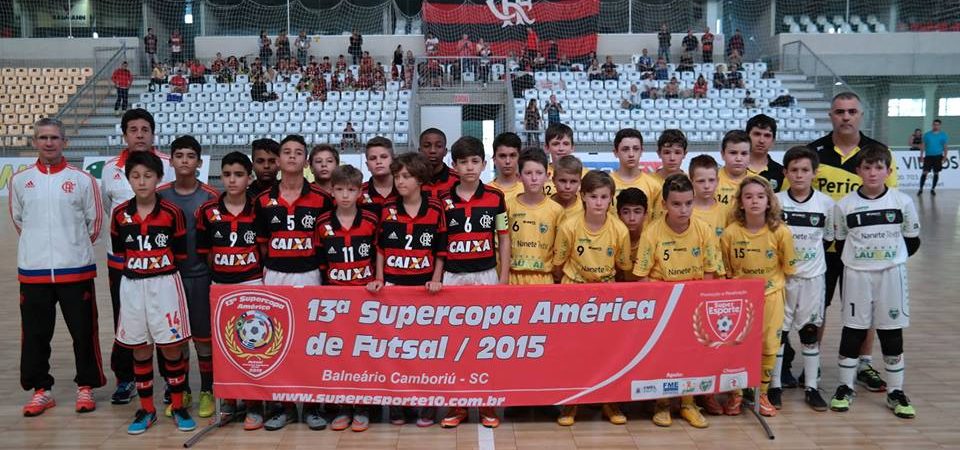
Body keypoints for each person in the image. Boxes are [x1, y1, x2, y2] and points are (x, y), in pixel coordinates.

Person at [12, 118, 105, 417]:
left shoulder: (82, 180)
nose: (48, 143)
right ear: (35, 142)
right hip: (33, 272)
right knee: (36, 334)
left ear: (64, 141)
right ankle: (41, 390)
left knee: (83, 332)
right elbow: (19, 220)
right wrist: (37, 249)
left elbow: (95, 222)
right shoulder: (20, 181)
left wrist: (73, 247)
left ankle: (86, 386)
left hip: (75, 270)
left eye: (54, 137)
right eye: (43, 137)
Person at [807, 92, 898, 391]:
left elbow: (891, 200)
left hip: (863, 250)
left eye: (851, 111)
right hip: (821, 249)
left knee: (865, 309)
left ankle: (864, 364)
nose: (845, 117)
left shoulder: (877, 152)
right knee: (817, 307)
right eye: (839, 112)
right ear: (830, 115)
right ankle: (813, 362)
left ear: (861, 114)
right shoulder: (813, 153)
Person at [830, 144, 920, 419]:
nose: (872, 172)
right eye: (867, 167)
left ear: (888, 171)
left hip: (891, 275)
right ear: (858, 171)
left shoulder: (902, 202)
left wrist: (888, 258)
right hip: (857, 274)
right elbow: (841, 239)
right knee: (853, 329)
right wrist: (866, 258)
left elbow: (912, 240)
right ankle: (845, 387)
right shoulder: (844, 206)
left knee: (891, 331)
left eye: (878, 167)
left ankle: (895, 391)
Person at [110, 151, 194, 435]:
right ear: (128, 179)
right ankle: (146, 410)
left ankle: (179, 405)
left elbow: (180, 253)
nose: (142, 181)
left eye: (148, 176)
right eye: (136, 176)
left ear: (159, 178)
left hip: (165, 284)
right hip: (133, 286)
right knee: (140, 349)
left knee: (171, 348)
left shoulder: (172, 213)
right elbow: (121, 252)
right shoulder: (120, 215)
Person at [254, 135, 334, 431]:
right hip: (275, 274)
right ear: (278, 160)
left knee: (309, 341)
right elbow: (262, 245)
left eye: (298, 152)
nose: (291, 157)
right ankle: (282, 406)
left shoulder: (322, 198)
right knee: (278, 342)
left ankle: (313, 405)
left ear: (305, 160)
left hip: (310, 274)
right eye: (286, 152)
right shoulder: (262, 200)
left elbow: (327, 243)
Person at [633, 173, 720, 429]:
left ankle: (688, 403)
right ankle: (662, 404)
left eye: (688, 203)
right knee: (662, 355)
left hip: (693, 306)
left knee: (691, 356)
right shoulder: (652, 233)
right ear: (664, 205)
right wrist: (668, 297)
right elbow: (641, 278)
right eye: (676, 204)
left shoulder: (703, 230)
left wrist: (696, 298)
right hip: (664, 306)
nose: (684, 209)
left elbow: (709, 270)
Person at [366, 152, 446, 427]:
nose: (399, 181)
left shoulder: (435, 209)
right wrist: (379, 277)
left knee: (424, 349)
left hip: (424, 290)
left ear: (420, 179)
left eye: (406, 176)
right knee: (395, 349)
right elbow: (380, 248)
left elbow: (440, 251)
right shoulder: (387, 208)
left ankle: (426, 404)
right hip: (394, 286)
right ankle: (399, 403)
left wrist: (436, 279)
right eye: (397, 176)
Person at [101, 109, 175, 406]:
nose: (140, 134)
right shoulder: (108, 169)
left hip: (161, 263)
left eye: (146, 129)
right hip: (123, 262)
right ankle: (126, 379)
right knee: (126, 321)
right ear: (125, 135)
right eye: (134, 129)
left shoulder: (168, 165)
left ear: (153, 134)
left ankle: (171, 380)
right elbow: (110, 211)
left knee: (164, 320)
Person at [438, 137, 510, 429]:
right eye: (463, 162)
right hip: (453, 277)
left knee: (485, 343)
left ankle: (487, 405)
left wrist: (503, 277)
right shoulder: (442, 200)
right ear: (453, 166)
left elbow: (504, 238)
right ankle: (458, 405)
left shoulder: (496, 197)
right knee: (455, 344)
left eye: (474, 161)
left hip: (486, 275)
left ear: (483, 163)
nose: (469, 167)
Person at [553, 171, 632, 426]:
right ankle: (570, 403)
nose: (599, 202)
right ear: (583, 196)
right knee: (573, 353)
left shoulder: (619, 229)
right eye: (594, 196)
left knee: (607, 353)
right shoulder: (569, 226)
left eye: (604, 197)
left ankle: (611, 401)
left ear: (611, 199)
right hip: (573, 294)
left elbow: (622, 268)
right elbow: (557, 265)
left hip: (606, 297)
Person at [195, 151, 264, 429]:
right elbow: (206, 252)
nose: (232, 180)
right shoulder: (208, 211)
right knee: (225, 344)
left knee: (254, 345)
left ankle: (253, 402)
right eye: (227, 174)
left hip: (252, 283)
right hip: (221, 286)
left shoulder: (259, 208)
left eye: (238, 174)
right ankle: (229, 399)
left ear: (249, 178)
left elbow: (263, 248)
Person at [720, 176, 796, 417]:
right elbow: (726, 270)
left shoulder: (781, 232)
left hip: (771, 296)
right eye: (749, 196)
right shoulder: (731, 233)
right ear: (741, 202)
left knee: (768, 345)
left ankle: (761, 393)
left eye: (760, 196)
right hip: (740, 299)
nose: (754, 201)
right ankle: (736, 394)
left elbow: (789, 269)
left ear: (769, 201)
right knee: (736, 345)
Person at [156, 136, 219, 419]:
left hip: (201, 276)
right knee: (176, 339)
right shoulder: (159, 195)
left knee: (203, 338)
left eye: (190, 155)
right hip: (169, 278)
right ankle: (182, 393)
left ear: (199, 162)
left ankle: (207, 389)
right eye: (179, 155)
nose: (184, 160)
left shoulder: (210, 196)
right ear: (171, 161)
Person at [771, 146, 835, 412]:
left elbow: (829, 238)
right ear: (785, 172)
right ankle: (773, 386)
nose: (799, 175)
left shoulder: (826, 204)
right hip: (781, 279)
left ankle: (811, 386)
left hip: (812, 279)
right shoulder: (775, 201)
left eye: (805, 170)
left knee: (809, 332)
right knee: (779, 333)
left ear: (814, 173)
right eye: (794, 170)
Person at [317, 165, 379, 432]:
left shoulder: (371, 220)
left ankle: (363, 406)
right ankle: (343, 405)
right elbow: (319, 261)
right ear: (331, 191)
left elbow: (379, 252)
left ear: (359, 191)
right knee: (338, 354)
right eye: (340, 189)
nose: (345, 195)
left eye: (351, 190)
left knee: (362, 353)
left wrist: (378, 279)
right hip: (335, 299)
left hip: (364, 297)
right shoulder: (322, 224)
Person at [507, 148, 563, 285]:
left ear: (547, 175)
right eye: (528, 173)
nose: (534, 178)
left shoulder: (557, 210)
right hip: (513, 278)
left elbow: (560, 250)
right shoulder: (507, 207)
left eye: (539, 173)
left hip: (545, 279)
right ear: (518, 176)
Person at [648, 129, 689, 223]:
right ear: (659, 153)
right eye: (667, 152)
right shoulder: (648, 182)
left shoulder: (690, 182)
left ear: (685, 154)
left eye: (677, 152)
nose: (672, 158)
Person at [610, 128, 659, 201]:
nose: (631, 154)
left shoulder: (654, 186)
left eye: (636, 149)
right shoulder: (606, 183)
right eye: (625, 149)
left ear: (641, 151)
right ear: (615, 152)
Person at [689, 154, 726, 239]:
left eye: (711, 180)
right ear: (691, 182)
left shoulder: (726, 211)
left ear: (717, 181)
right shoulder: (685, 211)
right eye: (701, 181)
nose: (706, 186)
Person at [360, 137, 398, 217]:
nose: (378, 162)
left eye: (383, 157)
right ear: (367, 165)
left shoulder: (405, 190)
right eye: (373, 158)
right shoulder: (358, 193)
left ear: (393, 161)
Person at [615, 188, 648, 282]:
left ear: (645, 214)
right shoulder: (612, 236)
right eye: (626, 212)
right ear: (618, 215)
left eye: (637, 212)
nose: (632, 218)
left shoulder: (653, 236)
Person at [746, 114, 785, 192]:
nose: (761, 140)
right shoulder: (735, 168)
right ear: (746, 136)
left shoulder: (781, 172)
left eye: (767, 135)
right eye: (757, 134)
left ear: (773, 141)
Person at [716, 130, 751, 216]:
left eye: (744, 153)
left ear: (750, 155)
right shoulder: (711, 180)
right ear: (723, 154)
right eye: (733, 153)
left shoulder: (759, 182)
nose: (738, 158)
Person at [542, 123, 581, 197]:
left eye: (566, 144)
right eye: (556, 144)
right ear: (546, 148)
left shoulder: (585, 174)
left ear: (572, 147)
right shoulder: (539, 174)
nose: (561, 148)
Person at [419, 128, 459, 198]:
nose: (433, 151)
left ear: (445, 151)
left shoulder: (458, 180)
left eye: (439, 146)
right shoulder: (411, 179)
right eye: (427, 146)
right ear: (419, 151)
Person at [488, 132, 523, 200]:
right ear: (494, 159)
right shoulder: (485, 191)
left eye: (512, 155)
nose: (507, 161)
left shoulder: (528, 190)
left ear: (519, 158)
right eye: (502, 156)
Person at [919, 118, 949, 195]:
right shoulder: (927, 135)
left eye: (937, 125)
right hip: (928, 156)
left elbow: (945, 147)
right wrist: (921, 156)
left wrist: (945, 157)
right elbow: (923, 145)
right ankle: (921, 189)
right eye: (934, 124)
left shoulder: (943, 135)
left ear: (940, 126)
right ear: (932, 125)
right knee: (924, 172)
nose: (936, 126)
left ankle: (933, 189)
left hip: (938, 156)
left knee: (936, 173)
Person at [550, 155, 584, 223]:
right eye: (562, 181)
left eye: (573, 181)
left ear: (580, 182)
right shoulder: (544, 207)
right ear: (553, 180)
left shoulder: (585, 209)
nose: (567, 186)